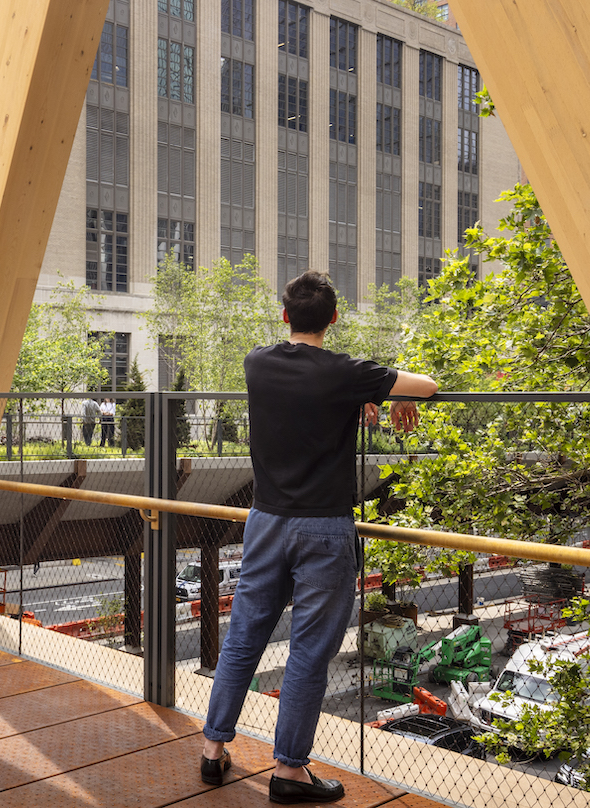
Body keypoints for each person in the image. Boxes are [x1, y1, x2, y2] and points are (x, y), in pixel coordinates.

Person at [199, 270, 439, 803]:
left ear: (284, 316)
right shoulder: (346, 373)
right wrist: (376, 396)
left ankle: (213, 752)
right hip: (325, 528)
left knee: (243, 638)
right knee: (308, 651)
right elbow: (427, 386)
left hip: (264, 521)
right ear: (333, 319)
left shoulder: (256, 363)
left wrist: (357, 401)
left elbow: (300, 402)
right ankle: (288, 773)